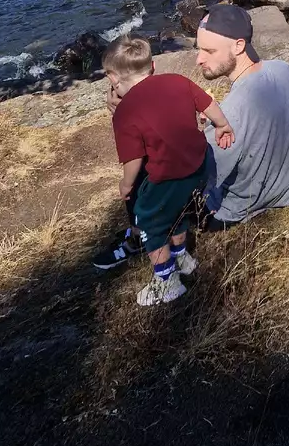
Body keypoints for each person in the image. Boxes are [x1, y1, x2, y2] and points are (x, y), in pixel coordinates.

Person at [99, 36, 235, 306]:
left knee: (151, 223)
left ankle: (167, 282)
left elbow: (134, 158)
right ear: (152, 66)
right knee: (178, 211)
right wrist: (222, 125)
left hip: (166, 176)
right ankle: (183, 258)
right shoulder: (177, 81)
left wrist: (127, 184)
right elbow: (207, 103)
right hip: (197, 165)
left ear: (113, 78)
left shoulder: (126, 110)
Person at [194, 4, 289, 229]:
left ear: (238, 46)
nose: (199, 59)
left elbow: (203, 172)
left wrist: (200, 130)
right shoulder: (284, 69)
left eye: (209, 51)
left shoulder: (230, 112)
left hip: (239, 209)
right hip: (288, 189)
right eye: (199, 49)